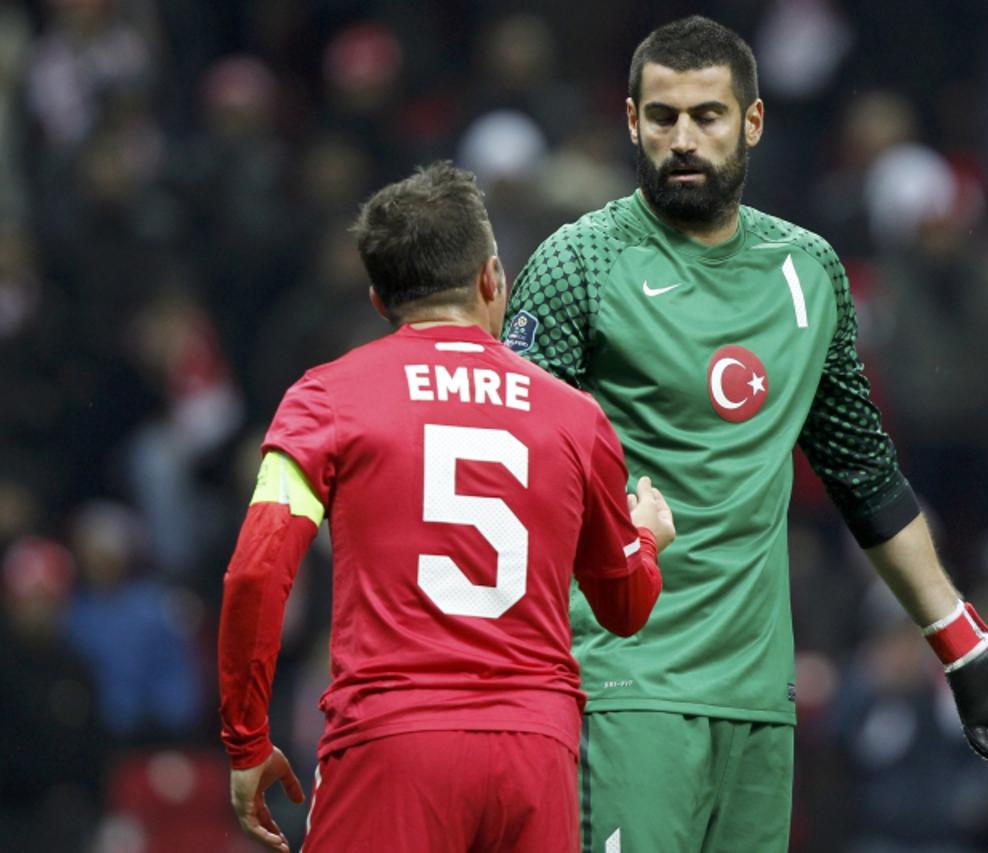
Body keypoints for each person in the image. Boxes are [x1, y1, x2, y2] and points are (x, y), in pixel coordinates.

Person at [503, 16, 988, 853]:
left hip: (760, 698)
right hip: (623, 686)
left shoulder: (810, 273)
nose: (683, 139)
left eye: (708, 116)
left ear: (753, 122)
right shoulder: (577, 263)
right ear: (631, 122)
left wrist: (958, 639)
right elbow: (508, 477)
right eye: (662, 118)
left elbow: (863, 474)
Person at [217, 161, 673, 853]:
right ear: (493, 279)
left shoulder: (325, 400)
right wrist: (645, 539)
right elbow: (625, 606)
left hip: (394, 744)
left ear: (377, 299)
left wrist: (246, 738)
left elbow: (255, 571)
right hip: (535, 754)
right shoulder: (577, 420)